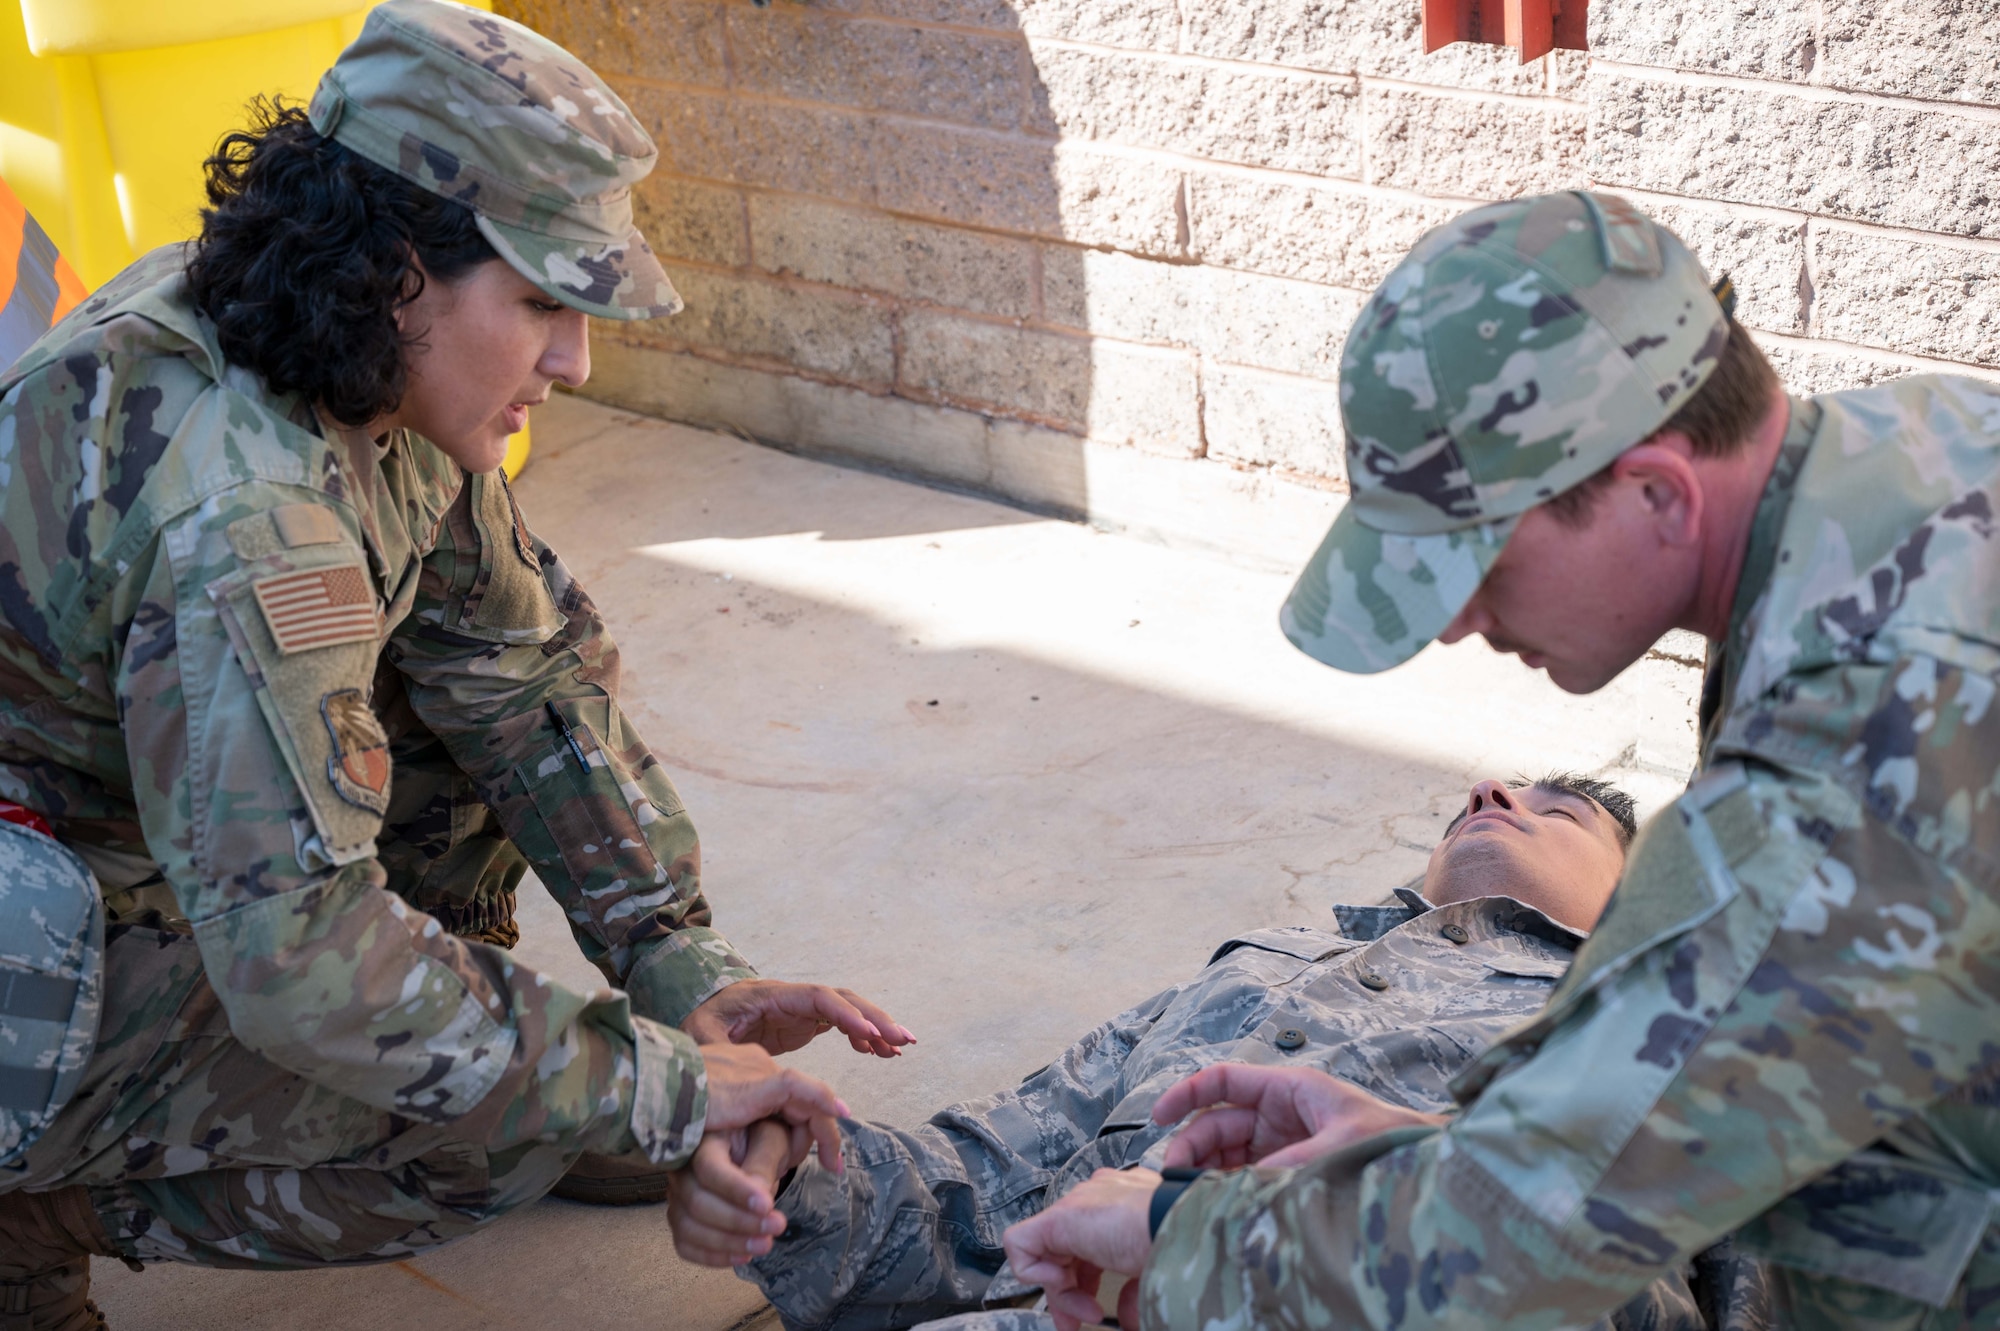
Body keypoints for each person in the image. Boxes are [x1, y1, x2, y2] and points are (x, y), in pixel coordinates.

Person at [0, 5, 909, 1326]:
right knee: (484, 1129)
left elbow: (523, 677)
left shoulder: (354, 358)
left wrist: (680, 971)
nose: (573, 357)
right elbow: (300, 957)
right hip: (41, 905)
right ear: (395, 273)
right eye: (542, 298)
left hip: (132, 827)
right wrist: (650, 1086)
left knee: (480, 721)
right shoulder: (250, 516)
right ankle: (25, 1213)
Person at [1002, 190, 2000, 1329]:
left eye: (1477, 560)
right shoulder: (1910, 458)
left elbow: (1526, 1239)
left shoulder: (1865, 728)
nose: (1450, 621)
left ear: (1656, 492)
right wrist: (1436, 1150)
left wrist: (1184, 1232)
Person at [666, 774, 1768, 1331]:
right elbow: (975, 1195)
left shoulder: (1675, 1034)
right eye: (1476, 797)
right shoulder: (1261, 966)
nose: (1491, 790)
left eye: (1558, 806)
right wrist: (781, 1159)